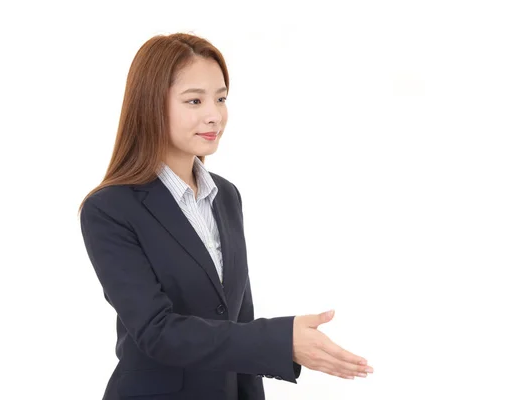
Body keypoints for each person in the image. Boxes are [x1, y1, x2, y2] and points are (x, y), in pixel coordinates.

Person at [78, 32, 373, 400]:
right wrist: (283, 342)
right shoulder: (110, 209)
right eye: (194, 100)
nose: (214, 115)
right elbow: (156, 331)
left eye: (220, 98)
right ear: (151, 105)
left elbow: (239, 320)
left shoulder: (226, 195)